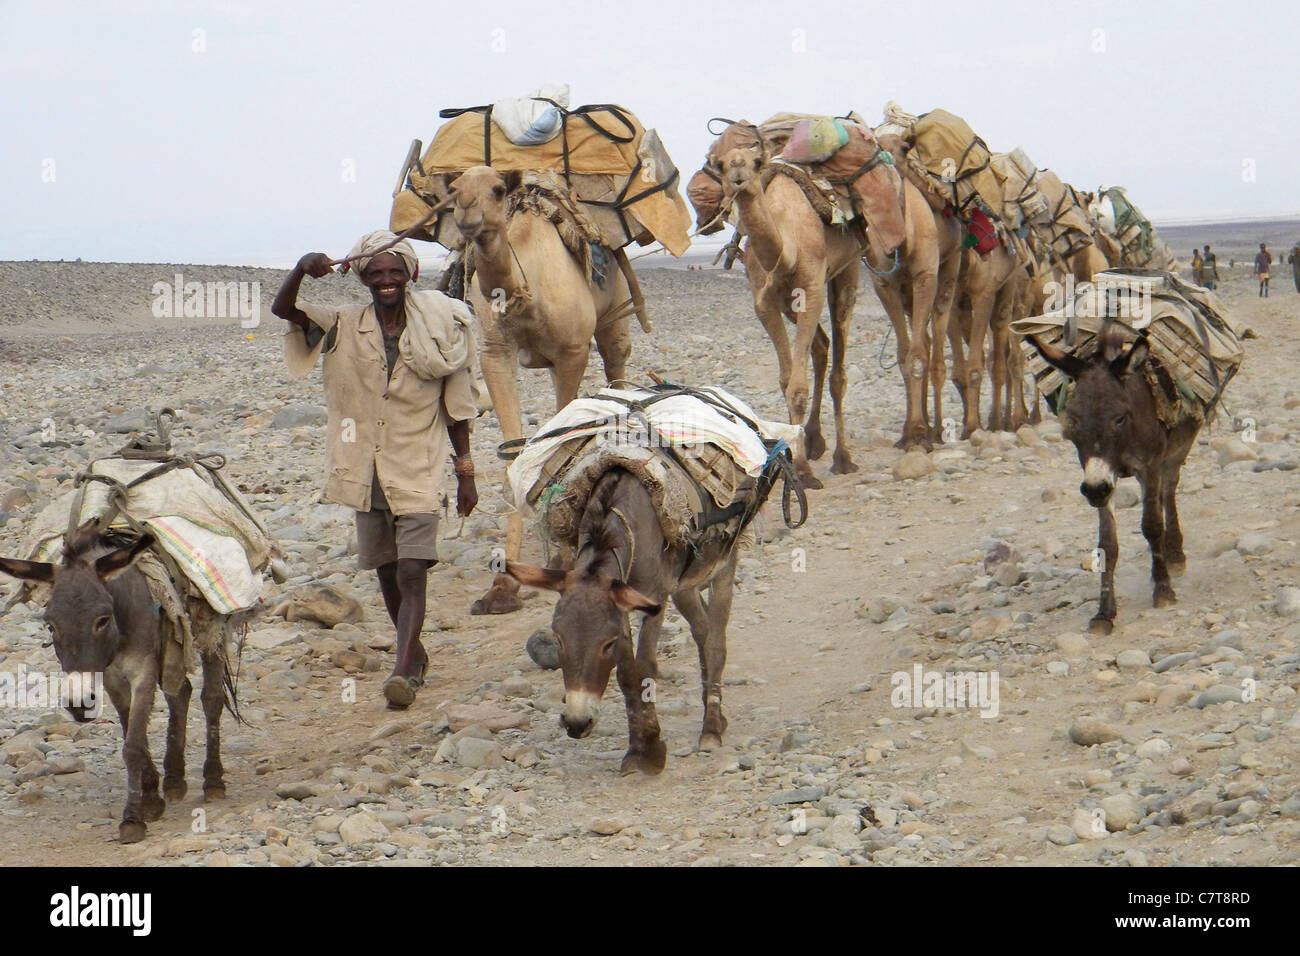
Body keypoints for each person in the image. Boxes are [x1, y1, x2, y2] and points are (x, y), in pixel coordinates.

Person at [272, 231, 480, 709]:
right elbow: (285, 311)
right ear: (363, 278)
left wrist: (466, 473)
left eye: (394, 271)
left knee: (412, 569)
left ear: (410, 274)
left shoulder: (440, 328)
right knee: (386, 570)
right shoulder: (345, 322)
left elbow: (459, 406)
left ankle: (404, 669)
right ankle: (416, 653)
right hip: (363, 467)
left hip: (417, 463)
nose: (385, 280)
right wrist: (302, 267)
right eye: (376, 273)